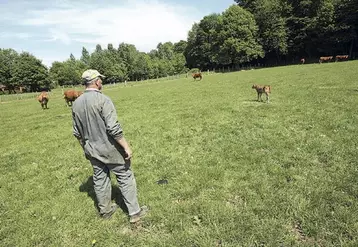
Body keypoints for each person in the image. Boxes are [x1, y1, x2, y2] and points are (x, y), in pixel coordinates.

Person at [72, 69, 147, 223]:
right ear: (96, 81)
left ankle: (105, 211)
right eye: (101, 79)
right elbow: (113, 128)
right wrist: (126, 146)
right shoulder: (103, 100)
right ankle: (135, 214)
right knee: (125, 176)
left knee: (100, 178)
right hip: (110, 149)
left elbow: (77, 133)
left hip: (92, 149)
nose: (102, 82)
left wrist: (85, 149)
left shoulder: (76, 103)